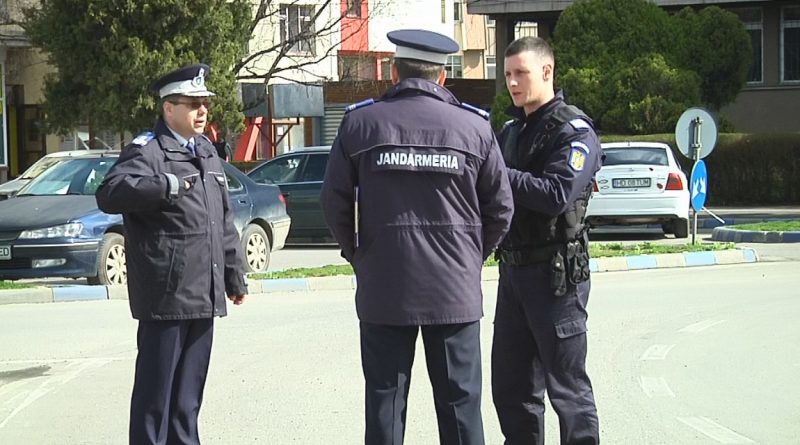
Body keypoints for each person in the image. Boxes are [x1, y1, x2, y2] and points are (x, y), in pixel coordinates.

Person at [321, 29, 514, 445]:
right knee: (461, 410)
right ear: (443, 76)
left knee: (385, 407)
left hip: (385, 287)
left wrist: (360, 255)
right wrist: (470, 258)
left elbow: (334, 203)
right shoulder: (474, 127)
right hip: (454, 291)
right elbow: (501, 208)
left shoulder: (360, 124)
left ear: (394, 72)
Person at [95, 63, 248, 445]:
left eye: (205, 103)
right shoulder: (148, 150)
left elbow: (222, 219)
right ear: (169, 108)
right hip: (166, 295)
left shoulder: (206, 150)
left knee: (187, 401)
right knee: (156, 399)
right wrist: (164, 185)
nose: (202, 111)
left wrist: (233, 273)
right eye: (193, 104)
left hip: (203, 293)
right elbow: (110, 193)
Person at [490, 36, 602, 445]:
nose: (512, 83)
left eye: (521, 73)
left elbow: (556, 194)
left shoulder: (574, 131)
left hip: (556, 275)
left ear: (547, 71)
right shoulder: (510, 131)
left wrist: (497, 173)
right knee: (512, 389)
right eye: (507, 75)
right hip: (513, 273)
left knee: (568, 390)